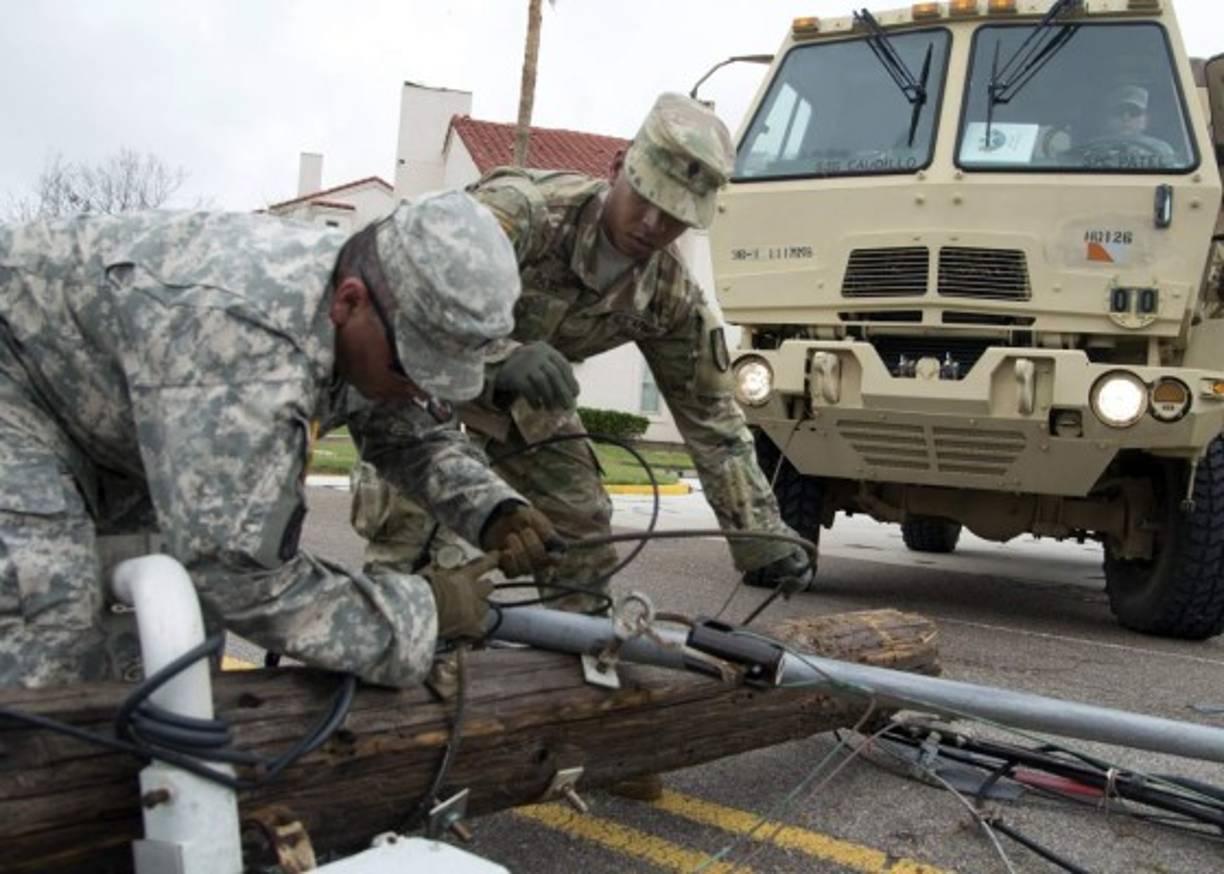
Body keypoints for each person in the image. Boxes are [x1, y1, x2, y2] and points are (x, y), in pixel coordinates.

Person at [0, 191, 560, 690]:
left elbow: (405, 427)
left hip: (109, 408)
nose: (417, 389)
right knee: (46, 609)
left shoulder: (372, 310)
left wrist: (494, 510)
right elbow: (240, 578)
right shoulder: (248, 347)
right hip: (15, 377)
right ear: (348, 301)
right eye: (411, 367)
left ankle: (133, 792)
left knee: (169, 638)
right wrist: (424, 611)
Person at [351, 93, 814, 612]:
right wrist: (499, 357)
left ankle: (572, 663)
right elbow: (403, 299)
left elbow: (715, 425)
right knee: (418, 541)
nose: (651, 226)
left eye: (674, 217)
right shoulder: (523, 214)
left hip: (520, 413)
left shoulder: (669, 294)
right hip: (421, 384)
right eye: (645, 199)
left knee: (581, 528)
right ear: (618, 167)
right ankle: (393, 643)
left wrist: (762, 536)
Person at [1079, 84, 1176, 168]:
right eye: (1119, 112)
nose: (1126, 118)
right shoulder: (1087, 150)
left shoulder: (1162, 150)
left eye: (1134, 112)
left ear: (1146, 120)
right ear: (1106, 119)